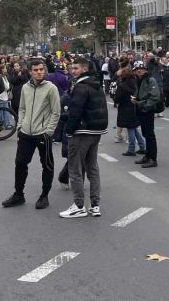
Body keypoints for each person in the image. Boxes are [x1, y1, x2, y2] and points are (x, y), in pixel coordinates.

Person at [2, 58, 60, 210]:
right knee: (20, 163)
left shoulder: (51, 88)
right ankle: (18, 194)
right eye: (36, 70)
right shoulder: (25, 88)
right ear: (30, 72)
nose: (39, 72)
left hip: (43, 134)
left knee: (46, 165)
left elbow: (56, 112)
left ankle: (44, 196)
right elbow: (21, 108)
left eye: (41, 69)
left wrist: (49, 131)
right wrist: (21, 125)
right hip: (26, 133)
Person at [60, 56, 107, 219]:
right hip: (96, 132)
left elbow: (75, 111)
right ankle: (95, 205)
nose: (73, 71)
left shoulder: (80, 86)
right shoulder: (97, 85)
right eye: (73, 68)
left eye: (76, 69)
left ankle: (79, 205)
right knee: (92, 168)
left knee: (75, 169)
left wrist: (69, 130)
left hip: (81, 132)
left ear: (85, 69)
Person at [133, 60, 161, 168]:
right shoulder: (138, 80)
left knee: (149, 135)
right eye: (137, 69)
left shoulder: (150, 80)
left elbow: (155, 96)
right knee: (145, 134)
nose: (139, 71)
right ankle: (147, 156)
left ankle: (153, 159)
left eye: (141, 69)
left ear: (145, 70)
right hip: (141, 109)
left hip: (147, 110)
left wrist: (143, 105)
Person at [114, 62, 144, 157]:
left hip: (125, 108)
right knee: (133, 127)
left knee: (130, 128)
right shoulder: (136, 83)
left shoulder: (122, 86)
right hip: (135, 106)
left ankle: (131, 149)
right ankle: (142, 146)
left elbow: (117, 99)